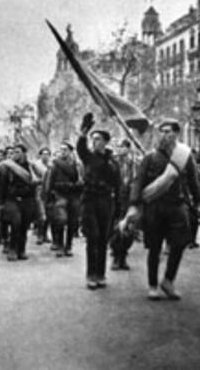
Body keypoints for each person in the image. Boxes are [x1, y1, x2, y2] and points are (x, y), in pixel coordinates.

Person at [120, 118, 200, 301]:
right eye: (162, 131)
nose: (164, 135)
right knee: (155, 247)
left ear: (176, 134)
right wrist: (134, 204)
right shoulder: (150, 157)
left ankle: (168, 281)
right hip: (155, 208)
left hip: (177, 207)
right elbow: (138, 182)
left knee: (180, 244)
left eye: (168, 131)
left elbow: (194, 181)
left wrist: (199, 202)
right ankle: (152, 285)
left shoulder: (184, 156)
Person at [77, 114, 121, 290]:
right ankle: (91, 275)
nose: (94, 142)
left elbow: (118, 184)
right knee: (93, 237)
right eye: (93, 139)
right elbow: (80, 148)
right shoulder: (88, 157)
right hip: (89, 200)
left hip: (106, 201)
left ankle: (101, 274)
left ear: (105, 142)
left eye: (98, 139)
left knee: (103, 238)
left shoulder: (112, 162)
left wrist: (118, 206)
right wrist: (83, 133)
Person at [0, 144, 38, 261]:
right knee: (16, 223)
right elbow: (2, 185)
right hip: (12, 199)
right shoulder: (7, 167)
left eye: (18, 152)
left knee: (24, 225)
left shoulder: (31, 166)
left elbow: (38, 180)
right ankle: (12, 249)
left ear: (24, 153)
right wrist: (1, 201)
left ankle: (21, 249)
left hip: (28, 199)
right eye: (14, 152)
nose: (15, 154)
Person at [46, 142, 81, 257]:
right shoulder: (55, 165)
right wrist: (49, 197)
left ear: (71, 151)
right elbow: (50, 181)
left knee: (72, 222)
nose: (63, 152)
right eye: (61, 150)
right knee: (60, 220)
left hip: (74, 196)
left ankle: (68, 246)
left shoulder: (77, 165)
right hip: (59, 195)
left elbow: (81, 181)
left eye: (65, 150)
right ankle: (60, 245)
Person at [110, 139, 138, 271]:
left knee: (129, 230)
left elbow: (137, 180)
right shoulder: (112, 163)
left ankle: (123, 257)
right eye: (119, 147)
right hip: (114, 199)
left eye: (122, 147)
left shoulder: (134, 164)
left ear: (128, 149)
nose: (120, 149)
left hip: (129, 199)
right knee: (116, 229)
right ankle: (116, 257)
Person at [32, 147, 52, 245]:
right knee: (41, 214)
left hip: (49, 191)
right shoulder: (35, 165)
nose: (45, 156)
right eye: (43, 154)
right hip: (39, 190)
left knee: (48, 214)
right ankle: (40, 235)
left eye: (47, 154)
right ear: (40, 155)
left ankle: (45, 234)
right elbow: (33, 177)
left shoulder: (51, 165)